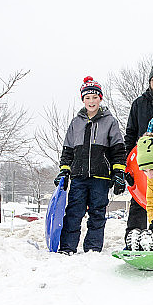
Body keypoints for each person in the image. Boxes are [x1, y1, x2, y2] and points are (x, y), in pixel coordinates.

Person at [55, 76, 126, 254]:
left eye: (95, 97)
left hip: (101, 177)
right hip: (79, 177)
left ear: (100, 98)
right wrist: (64, 171)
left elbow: (118, 151)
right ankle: (67, 247)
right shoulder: (76, 123)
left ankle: (93, 249)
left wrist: (118, 173)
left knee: (97, 214)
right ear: (83, 99)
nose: (91, 101)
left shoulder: (110, 122)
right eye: (87, 97)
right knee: (73, 213)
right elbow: (68, 151)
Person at [124, 64, 153, 240]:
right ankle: (134, 235)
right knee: (140, 198)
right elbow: (131, 133)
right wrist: (128, 161)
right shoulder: (139, 104)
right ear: (149, 81)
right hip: (143, 157)